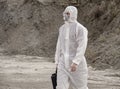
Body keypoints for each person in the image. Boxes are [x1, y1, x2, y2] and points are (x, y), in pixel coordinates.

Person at [55, 6, 89, 89]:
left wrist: (76, 62)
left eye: (68, 13)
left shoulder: (80, 29)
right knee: (60, 87)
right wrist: (57, 61)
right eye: (65, 13)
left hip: (77, 65)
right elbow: (59, 45)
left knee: (80, 87)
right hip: (63, 63)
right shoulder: (62, 28)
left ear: (73, 14)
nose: (65, 15)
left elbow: (82, 46)